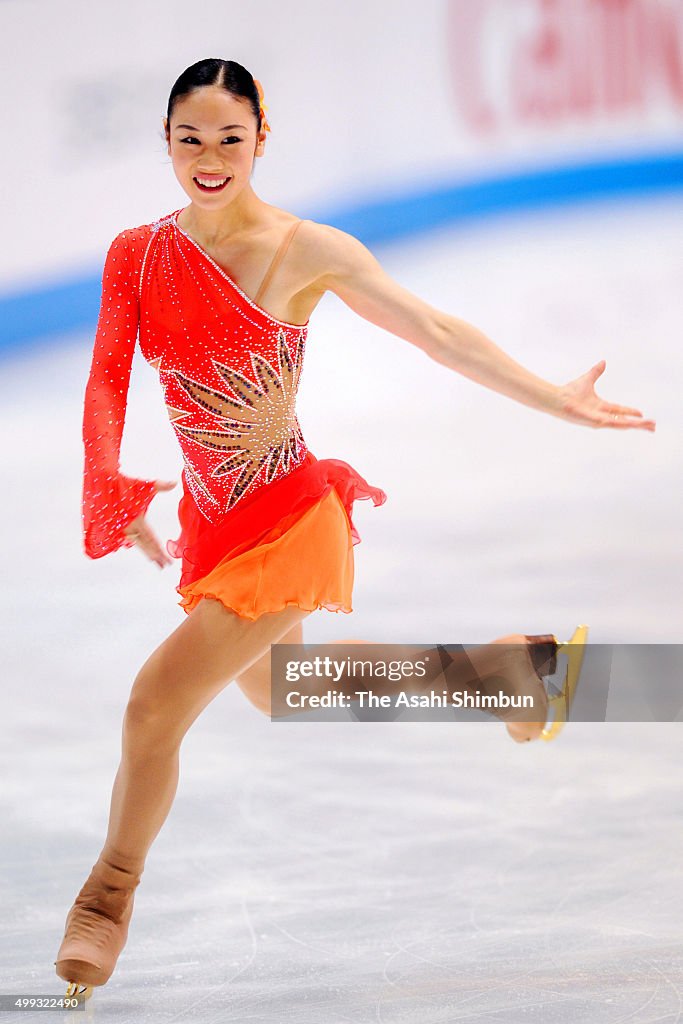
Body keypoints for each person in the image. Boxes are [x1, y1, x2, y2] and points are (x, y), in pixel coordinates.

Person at [54, 57, 656, 1001]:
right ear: (166, 143)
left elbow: (435, 330)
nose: (208, 158)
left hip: (291, 516)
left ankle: (105, 898)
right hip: (217, 525)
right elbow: (104, 379)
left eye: (229, 137)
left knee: (152, 707)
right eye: (189, 139)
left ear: (261, 138)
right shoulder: (137, 252)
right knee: (282, 690)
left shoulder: (307, 250)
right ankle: (493, 674)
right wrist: (113, 491)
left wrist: (551, 398)